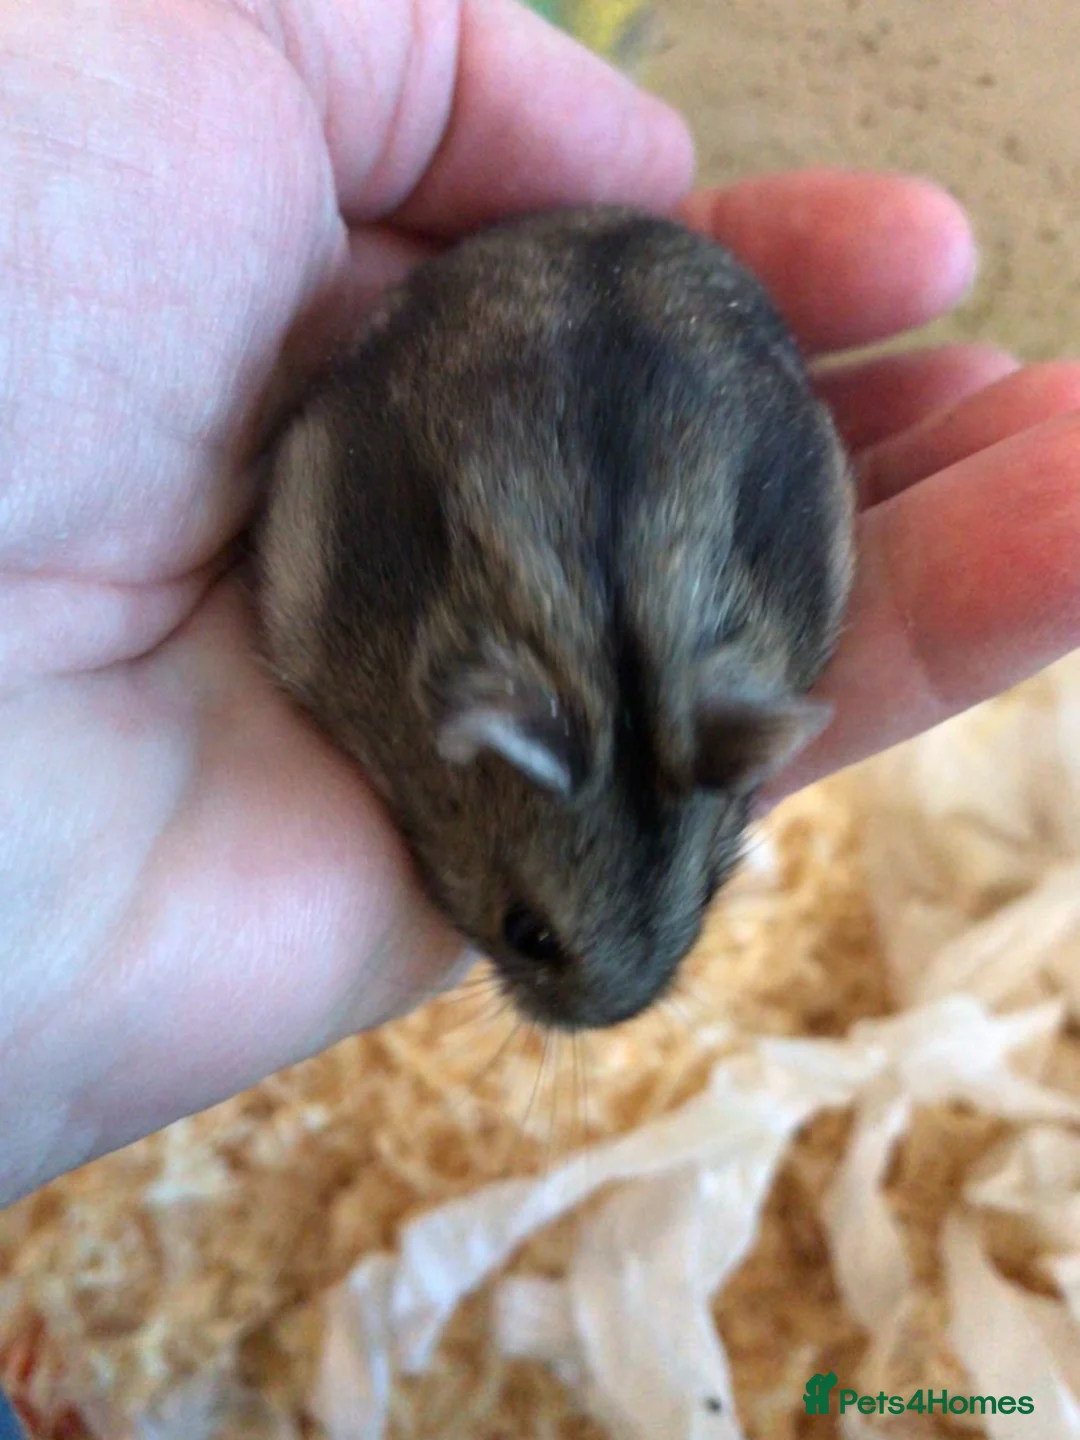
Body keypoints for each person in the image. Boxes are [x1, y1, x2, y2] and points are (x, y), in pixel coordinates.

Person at [2, 0, 1079, 1211]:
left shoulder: (724, 687)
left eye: (704, 884)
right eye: (528, 934)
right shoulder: (393, 661)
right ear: (473, 739)